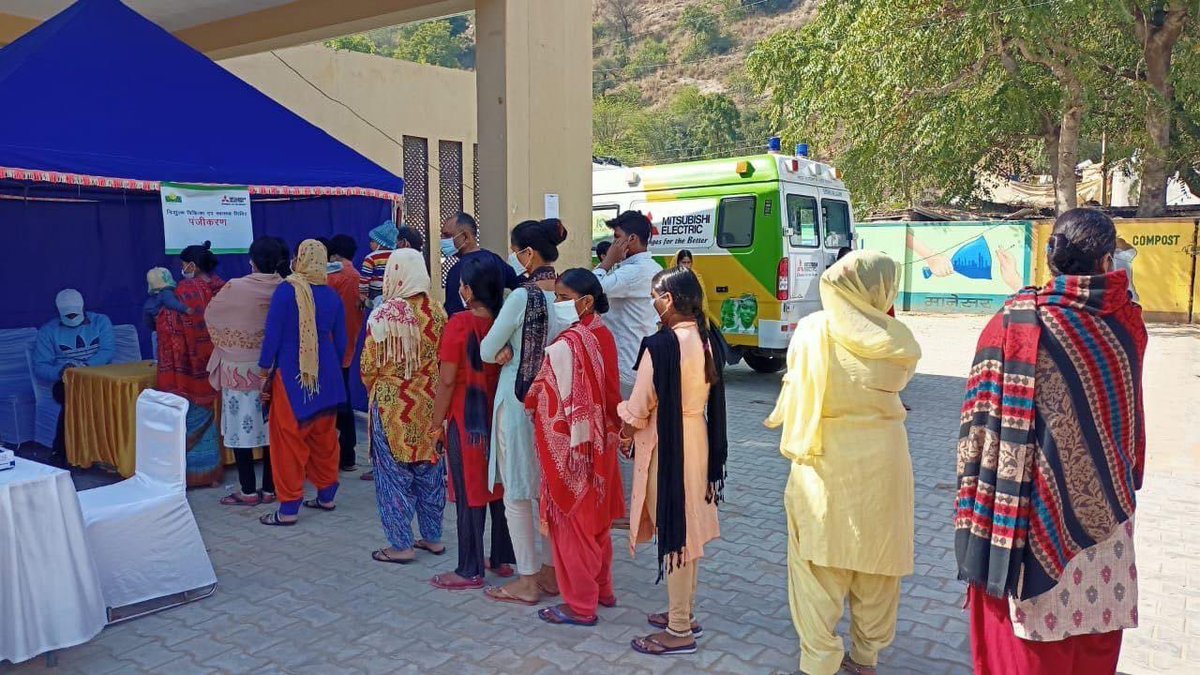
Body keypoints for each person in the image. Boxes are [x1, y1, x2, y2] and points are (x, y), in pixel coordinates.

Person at [956, 209, 1147, 674]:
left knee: (1031, 644)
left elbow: (978, 430)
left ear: (1051, 260)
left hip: (1023, 512)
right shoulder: (1125, 325)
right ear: (1107, 261)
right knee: (1094, 633)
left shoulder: (1010, 324)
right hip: (1107, 511)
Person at [764, 251, 921, 675]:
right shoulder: (898, 342)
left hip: (823, 461)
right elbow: (898, 381)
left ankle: (819, 661)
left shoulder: (812, 330)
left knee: (817, 564)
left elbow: (794, 378)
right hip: (884, 463)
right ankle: (866, 658)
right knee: (877, 564)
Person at [621, 267, 727, 657]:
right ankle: (684, 612)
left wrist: (624, 431)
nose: (653, 304)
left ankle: (679, 629)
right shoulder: (706, 337)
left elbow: (639, 406)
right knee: (689, 530)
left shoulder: (661, 345)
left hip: (669, 445)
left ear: (667, 299)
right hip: (697, 438)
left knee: (676, 531)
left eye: (654, 297)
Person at [526, 269, 625, 626]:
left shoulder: (569, 343)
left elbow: (542, 394)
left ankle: (581, 605)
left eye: (564, 297)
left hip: (575, 448)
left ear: (586, 301)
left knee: (573, 524)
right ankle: (603, 590)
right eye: (556, 296)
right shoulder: (601, 334)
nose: (558, 303)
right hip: (603, 441)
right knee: (597, 522)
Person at [480, 219, 570, 606]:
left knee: (517, 492)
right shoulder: (566, 294)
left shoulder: (521, 297)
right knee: (545, 490)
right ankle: (550, 571)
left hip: (518, 401)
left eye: (516, 250)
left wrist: (502, 352)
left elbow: (487, 349)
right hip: (553, 403)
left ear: (528, 254)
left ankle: (528, 580)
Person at [362, 249, 449, 564]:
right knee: (430, 470)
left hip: (391, 406)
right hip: (431, 400)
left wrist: (379, 386)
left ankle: (401, 545)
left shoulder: (383, 315)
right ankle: (433, 537)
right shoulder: (437, 311)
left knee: (393, 476)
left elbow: (368, 366)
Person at [430, 259, 509, 590]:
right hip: (499, 415)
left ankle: (469, 569)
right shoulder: (504, 320)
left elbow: (447, 380)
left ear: (471, 290)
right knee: (499, 488)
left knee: (469, 491)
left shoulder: (460, 323)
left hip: (467, 420)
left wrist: (435, 424)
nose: (461, 289)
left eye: (464, 284)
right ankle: (503, 558)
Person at [258, 239, 349, 526]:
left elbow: (272, 334)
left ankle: (288, 509)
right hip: (327, 375)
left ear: (300, 260)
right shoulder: (331, 295)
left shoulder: (287, 291)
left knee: (288, 441)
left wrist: (263, 370)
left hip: (292, 375)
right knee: (324, 437)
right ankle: (326, 495)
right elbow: (342, 341)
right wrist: (332, 368)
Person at [206, 237, 289, 506]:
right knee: (271, 429)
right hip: (273, 368)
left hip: (238, 368)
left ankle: (248, 491)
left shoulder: (236, 287)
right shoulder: (286, 287)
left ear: (252, 260)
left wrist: (233, 343)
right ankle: (270, 489)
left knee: (240, 430)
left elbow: (211, 315)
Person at [157, 242, 226, 488]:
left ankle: (193, 476)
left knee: (192, 418)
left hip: (188, 368)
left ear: (192, 266)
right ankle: (211, 475)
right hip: (217, 362)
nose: (182, 268)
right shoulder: (222, 288)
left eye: (184, 264)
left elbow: (168, 325)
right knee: (207, 419)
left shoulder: (186, 290)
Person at [32, 289, 116, 465]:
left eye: (75, 315)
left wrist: (85, 366)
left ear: (83, 308)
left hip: (100, 377)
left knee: (118, 393)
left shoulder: (100, 322)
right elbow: (40, 367)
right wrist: (60, 371)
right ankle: (62, 452)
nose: (72, 319)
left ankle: (112, 449)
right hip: (66, 382)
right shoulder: (48, 331)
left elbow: (107, 351)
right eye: (68, 316)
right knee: (74, 397)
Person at [594, 211, 662, 395]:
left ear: (631, 239)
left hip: (625, 364)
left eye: (617, 237)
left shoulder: (633, 272)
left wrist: (607, 261)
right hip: (639, 360)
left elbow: (589, 289)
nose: (613, 244)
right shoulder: (653, 267)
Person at [327, 234, 366, 472]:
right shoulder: (359, 277)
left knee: (333, 403)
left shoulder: (332, 276)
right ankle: (348, 455)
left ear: (334, 255)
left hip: (329, 346)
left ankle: (336, 456)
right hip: (348, 344)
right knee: (344, 399)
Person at [440, 211, 520, 316]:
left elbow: (454, 313)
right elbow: (520, 286)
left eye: (447, 235)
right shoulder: (496, 260)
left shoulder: (458, 271)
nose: (442, 240)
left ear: (465, 237)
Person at [360, 220, 399, 309]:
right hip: (394, 293)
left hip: (375, 294)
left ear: (380, 242)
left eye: (372, 241)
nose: (370, 243)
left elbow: (365, 278)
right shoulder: (397, 256)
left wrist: (363, 294)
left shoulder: (371, 258)